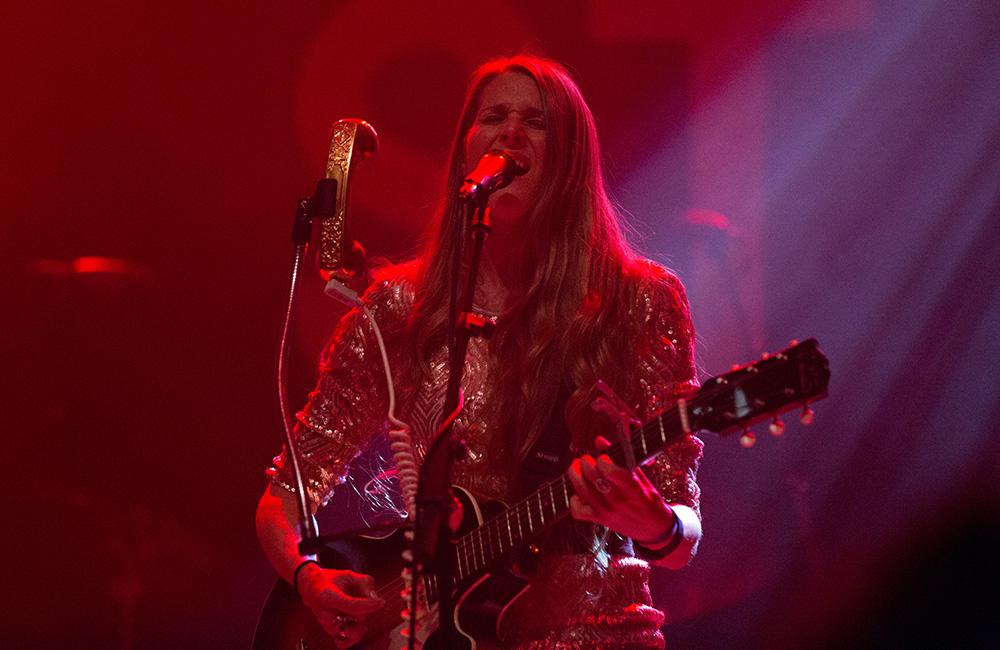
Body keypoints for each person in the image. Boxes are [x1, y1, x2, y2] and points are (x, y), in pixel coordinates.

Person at [256, 52, 703, 650]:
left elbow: (684, 531)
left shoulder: (639, 301)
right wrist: (309, 578)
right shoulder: (398, 308)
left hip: (600, 632)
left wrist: (653, 521)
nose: (511, 132)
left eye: (537, 122)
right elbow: (285, 496)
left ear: (572, 160)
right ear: (467, 150)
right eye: (494, 116)